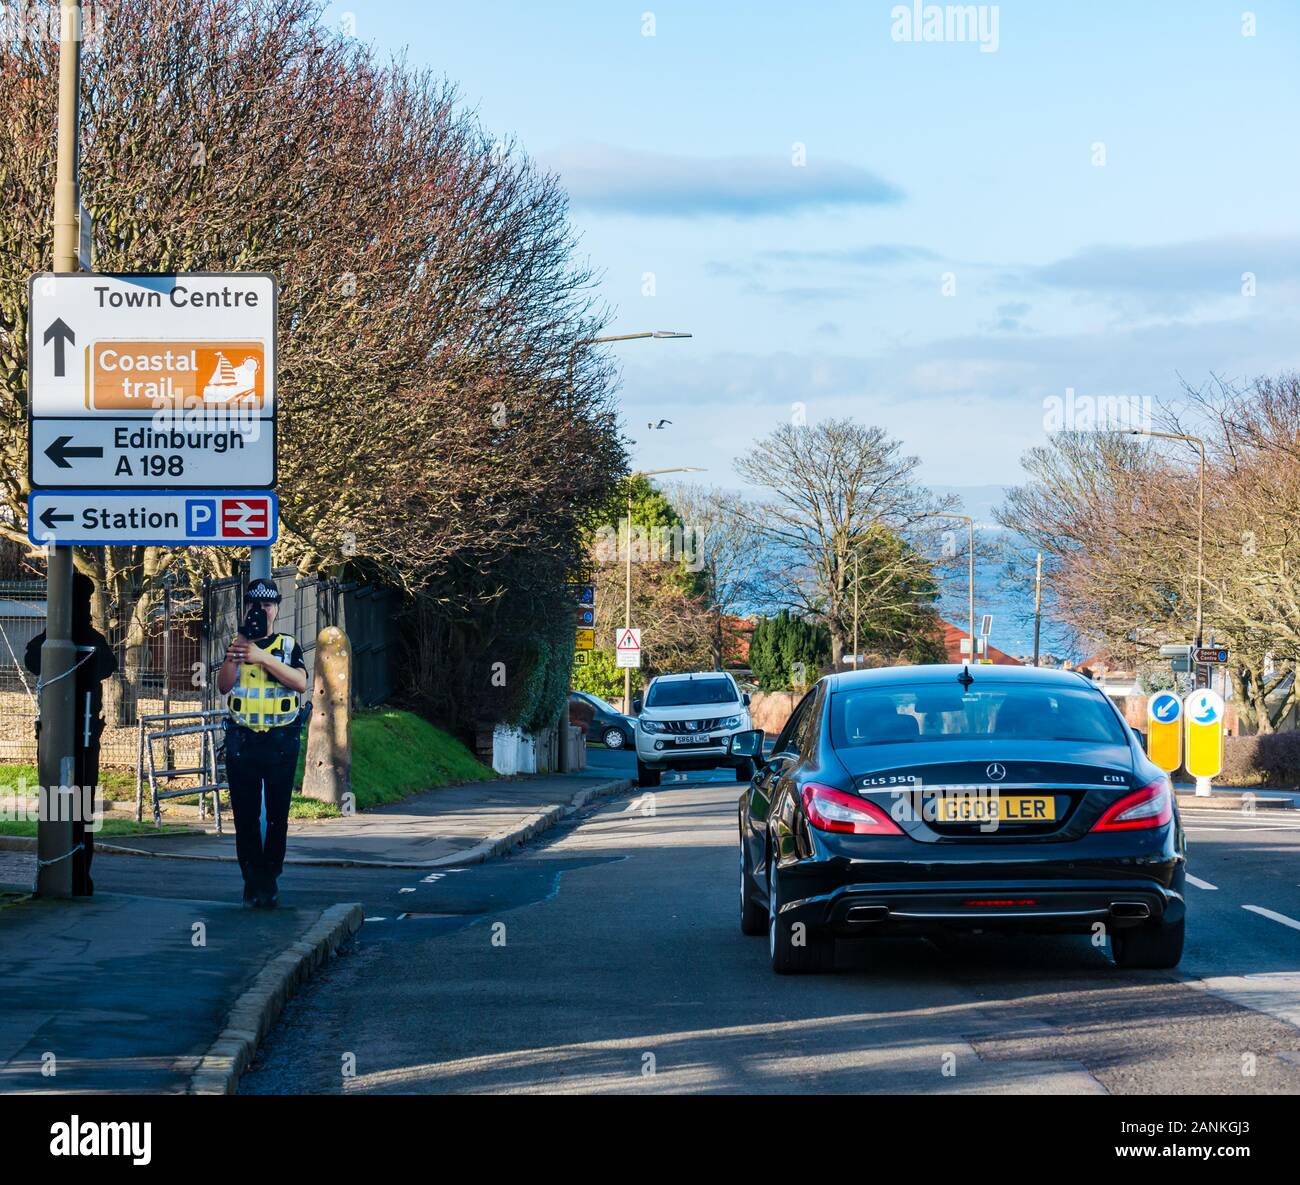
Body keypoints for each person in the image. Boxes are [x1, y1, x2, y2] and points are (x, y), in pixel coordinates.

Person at [216, 579, 309, 908]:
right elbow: (224, 686)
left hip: (280, 741)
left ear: (276, 610)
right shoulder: (237, 644)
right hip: (243, 740)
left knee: (276, 817)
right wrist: (239, 647)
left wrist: (262, 657)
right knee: (245, 816)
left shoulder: (287, 644)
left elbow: (300, 682)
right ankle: (251, 879)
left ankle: (269, 879)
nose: (261, 611)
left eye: (267, 606)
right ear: (247, 608)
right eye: (255, 605)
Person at [24, 571, 118, 897]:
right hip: (82, 733)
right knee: (77, 806)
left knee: (64, 803)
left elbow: (106, 664)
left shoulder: (72, 638)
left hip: (79, 732)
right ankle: (76, 875)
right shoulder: (79, 638)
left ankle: (69, 872)